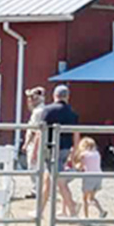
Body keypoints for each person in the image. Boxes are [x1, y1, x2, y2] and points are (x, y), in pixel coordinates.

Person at [40, 84, 80, 218]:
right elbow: (76, 133)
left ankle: (73, 209)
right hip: (65, 149)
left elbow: (41, 131)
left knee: (59, 181)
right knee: (47, 180)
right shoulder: (72, 113)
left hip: (51, 149)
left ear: (54, 96)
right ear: (67, 97)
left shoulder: (47, 111)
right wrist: (75, 152)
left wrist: (37, 150)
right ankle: (39, 211)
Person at [73, 136, 107, 219]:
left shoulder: (83, 155)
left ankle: (86, 216)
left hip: (89, 176)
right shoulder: (97, 154)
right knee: (91, 198)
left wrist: (75, 166)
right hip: (99, 176)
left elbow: (79, 166)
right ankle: (101, 210)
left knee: (84, 198)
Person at [22, 86, 47, 197]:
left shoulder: (38, 112)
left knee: (33, 166)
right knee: (39, 166)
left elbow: (34, 131)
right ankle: (40, 189)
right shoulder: (42, 110)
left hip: (35, 143)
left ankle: (37, 190)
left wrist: (26, 144)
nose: (30, 100)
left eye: (32, 97)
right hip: (40, 142)